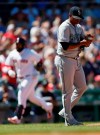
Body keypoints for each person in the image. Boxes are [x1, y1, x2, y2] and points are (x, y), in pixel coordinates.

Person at [54, 6, 94, 126]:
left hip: (75, 59)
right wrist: (82, 43)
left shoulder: (78, 27)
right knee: (67, 91)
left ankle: (65, 111)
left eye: (79, 18)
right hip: (64, 59)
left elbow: (82, 42)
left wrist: (87, 40)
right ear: (70, 15)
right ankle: (69, 119)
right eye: (75, 18)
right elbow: (66, 46)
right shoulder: (64, 26)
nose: (78, 20)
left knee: (82, 87)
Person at [4, 37, 53, 124]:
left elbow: (39, 60)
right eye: (16, 44)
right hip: (21, 78)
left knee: (21, 93)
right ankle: (48, 106)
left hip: (31, 76)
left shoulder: (29, 52)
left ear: (23, 45)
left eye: (19, 44)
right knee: (32, 98)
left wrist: (38, 67)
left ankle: (18, 117)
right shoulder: (13, 53)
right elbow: (6, 65)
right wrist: (9, 71)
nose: (18, 46)